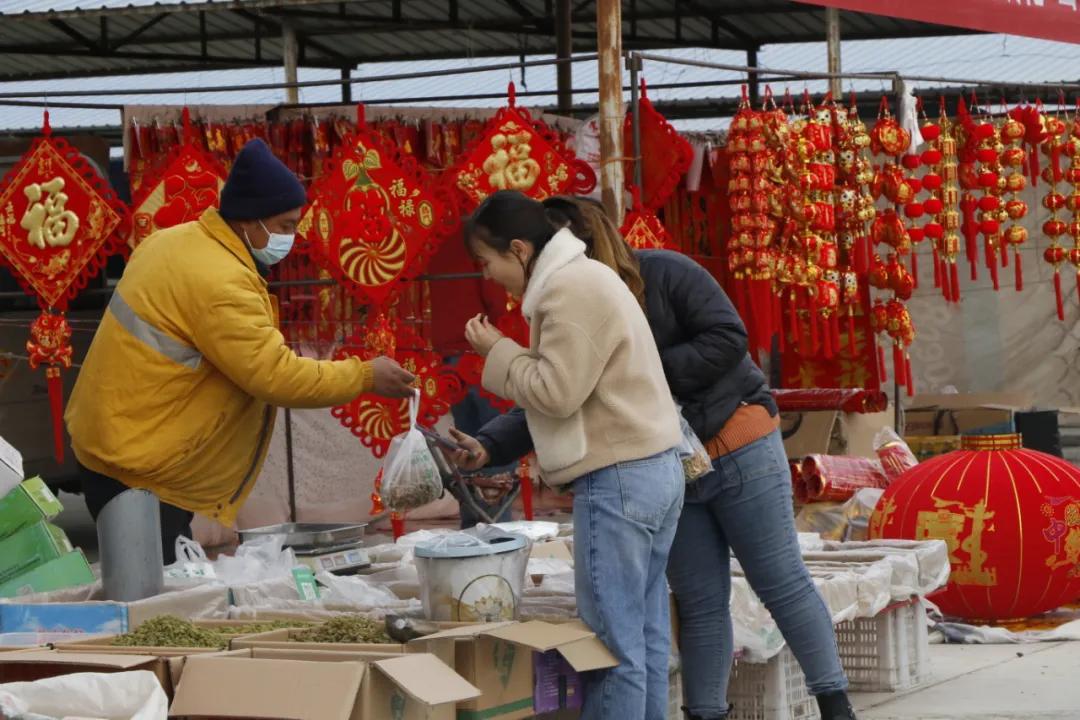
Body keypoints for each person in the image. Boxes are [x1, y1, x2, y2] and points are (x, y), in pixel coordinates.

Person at [449, 196, 857, 720]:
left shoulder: (631, 279)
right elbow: (565, 394)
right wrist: (492, 443)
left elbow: (728, 339)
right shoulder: (586, 290)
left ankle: (834, 702)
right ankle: (705, 711)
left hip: (734, 443)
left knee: (776, 579)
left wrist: (644, 369)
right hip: (670, 463)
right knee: (696, 598)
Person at [65, 139, 416, 564]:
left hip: (116, 439)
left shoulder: (174, 241)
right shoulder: (221, 280)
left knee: (163, 579)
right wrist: (365, 376)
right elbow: (275, 376)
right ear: (250, 222)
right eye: (285, 225)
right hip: (137, 466)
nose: (292, 237)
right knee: (149, 597)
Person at [460, 190, 683, 720]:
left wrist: (498, 352)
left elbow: (558, 391)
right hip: (649, 472)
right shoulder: (582, 279)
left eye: (486, 261)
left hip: (621, 479)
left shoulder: (569, 289)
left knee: (612, 650)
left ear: (518, 249)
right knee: (643, 640)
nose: (487, 275)